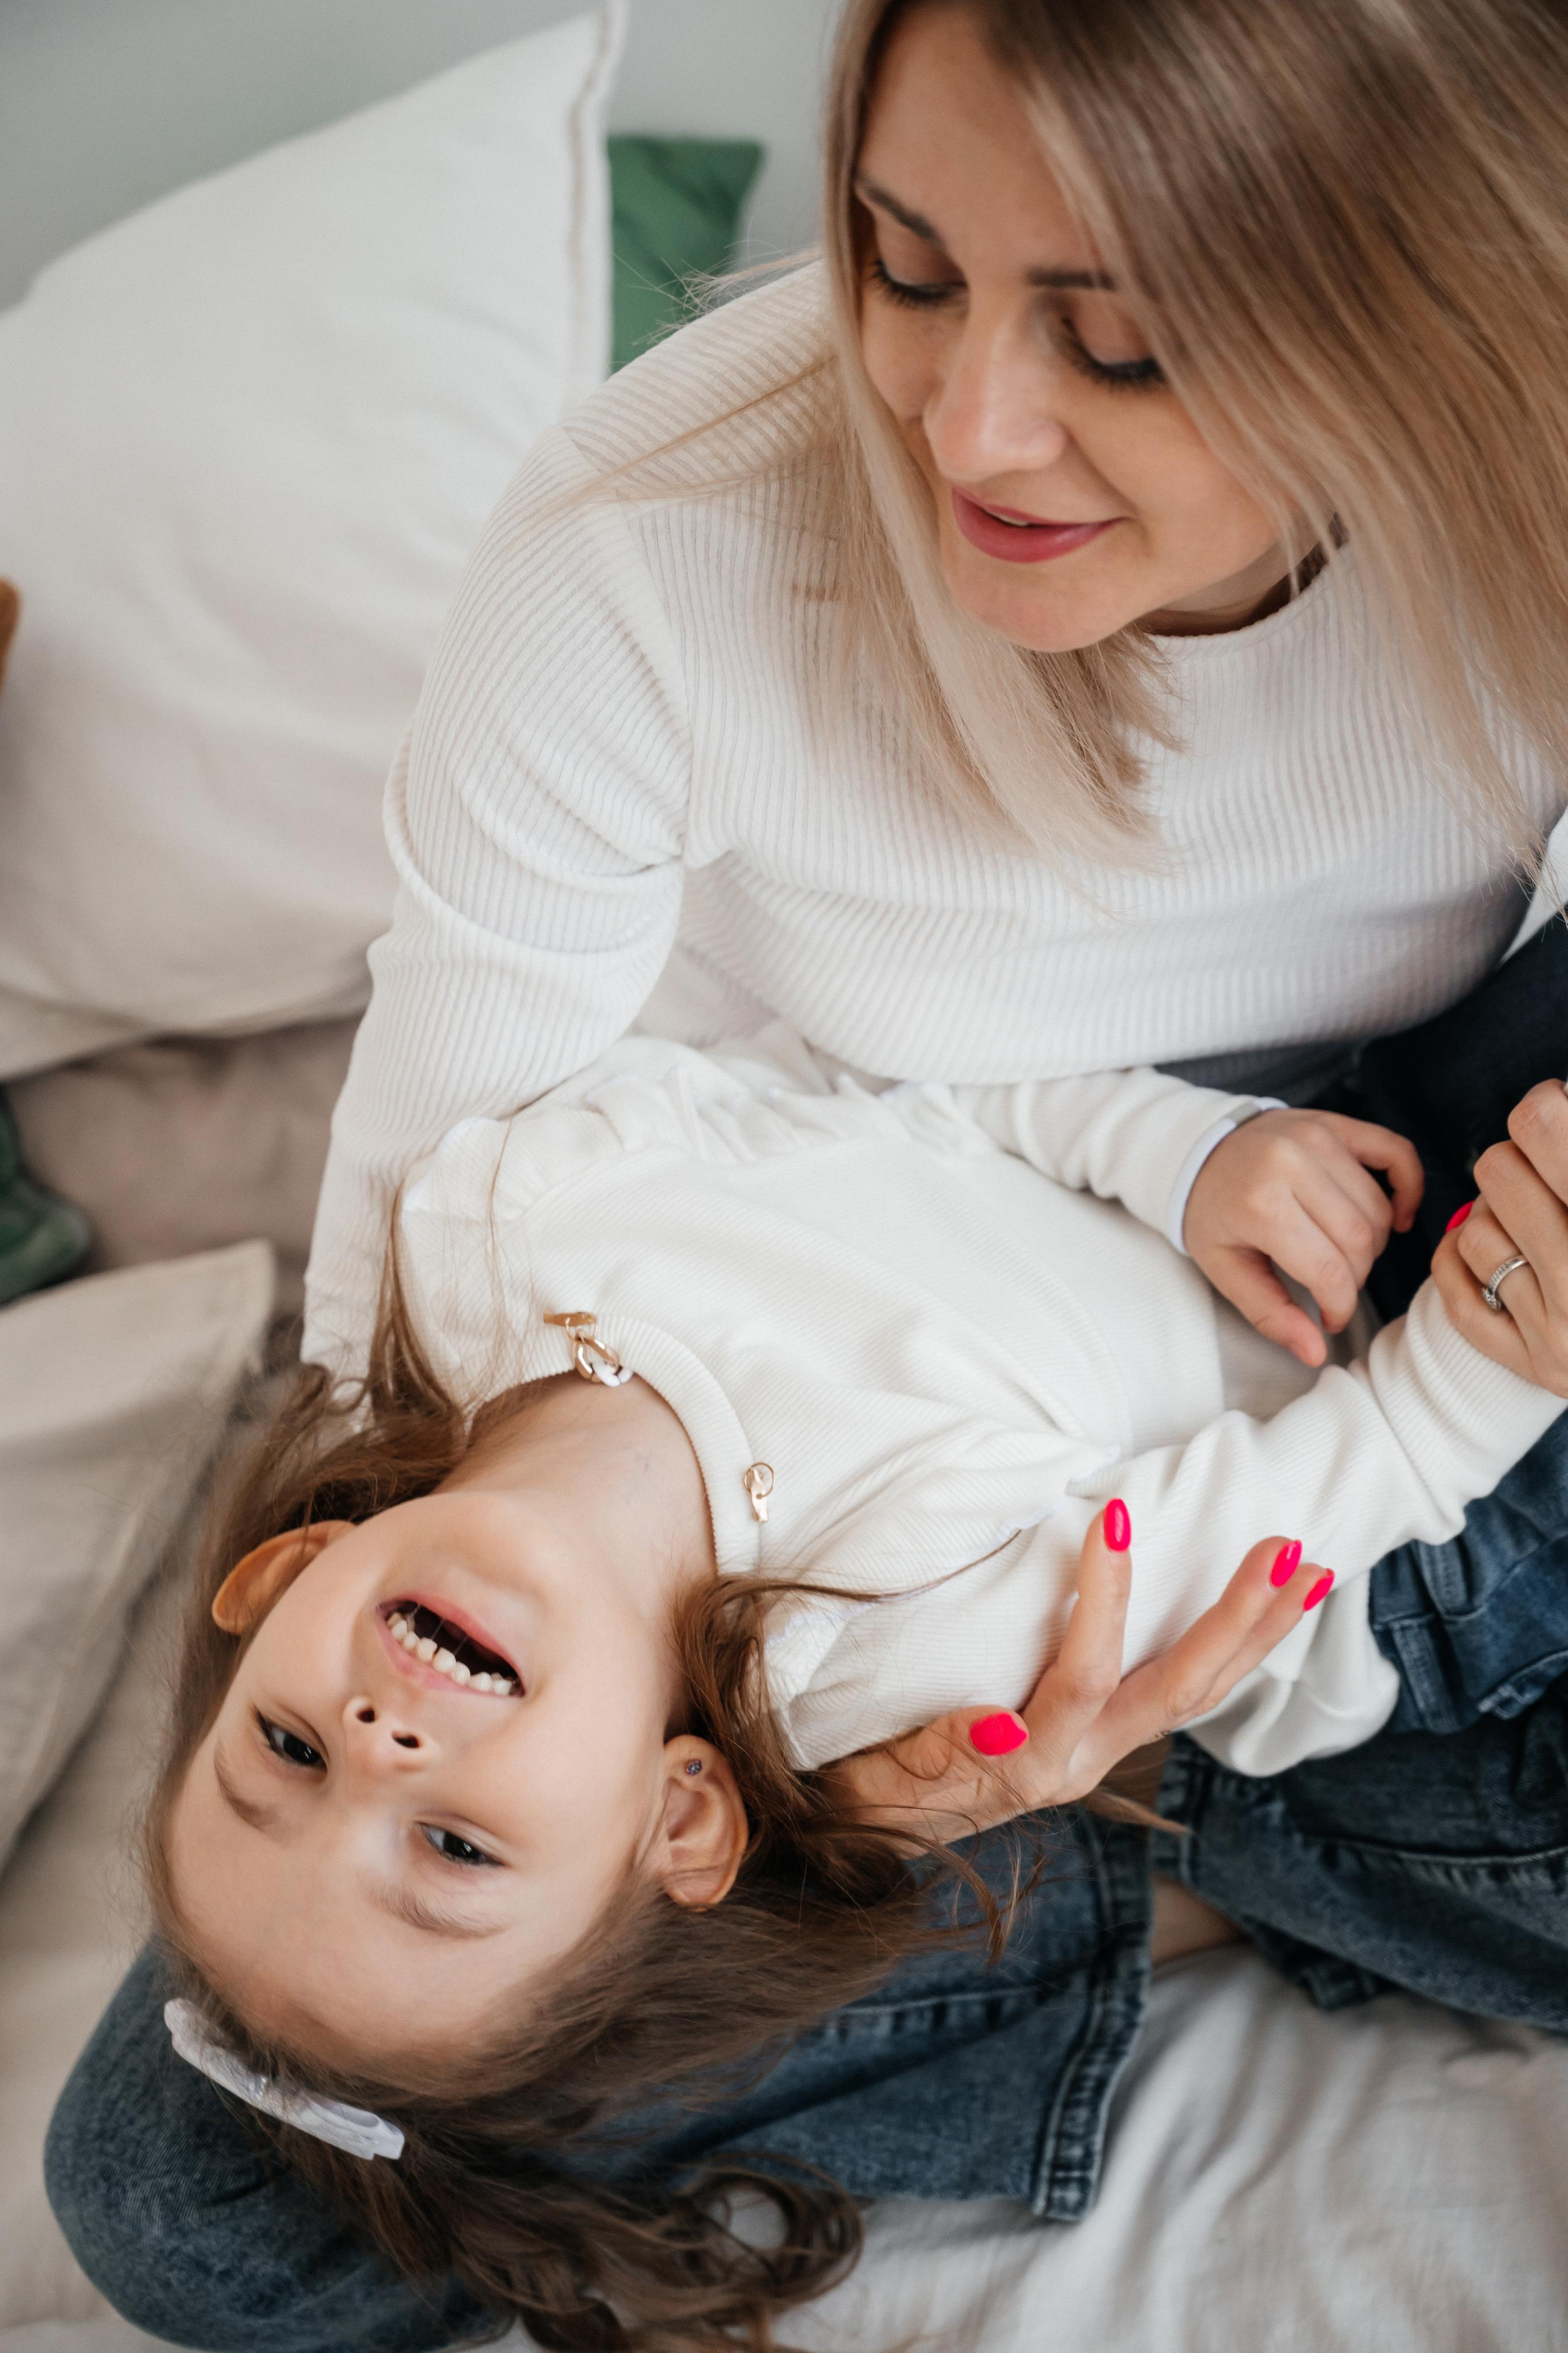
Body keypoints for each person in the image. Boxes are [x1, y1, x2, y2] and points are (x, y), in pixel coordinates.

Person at [45, 0, 1568, 2343]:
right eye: (902, 259)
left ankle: (1189, 1862)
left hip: (1306, 1188)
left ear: (1422, 312)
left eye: (1127, 348)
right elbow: (1305, 1544)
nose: (965, 426)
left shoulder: (1526, 478)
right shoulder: (644, 566)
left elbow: (905, 1131)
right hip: (1229, 1541)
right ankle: (1147, 1852)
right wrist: (887, 1803)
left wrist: (1191, 1159)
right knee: (188, 2180)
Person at [64, 917, 1568, 2353]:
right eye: (451, 1849)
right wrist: (1486, 1370)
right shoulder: (921, 1614)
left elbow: (882, 1059)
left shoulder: (476, 1217)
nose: (380, 1751)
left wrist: (1174, 1151)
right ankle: (1157, 1844)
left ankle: (1150, 1846)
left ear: (283, 1571)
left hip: (1256, 1192)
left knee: (200, 2185)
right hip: (1411, 1546)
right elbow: (1309, 1503)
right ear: (678, 1810)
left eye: (284, 1747)